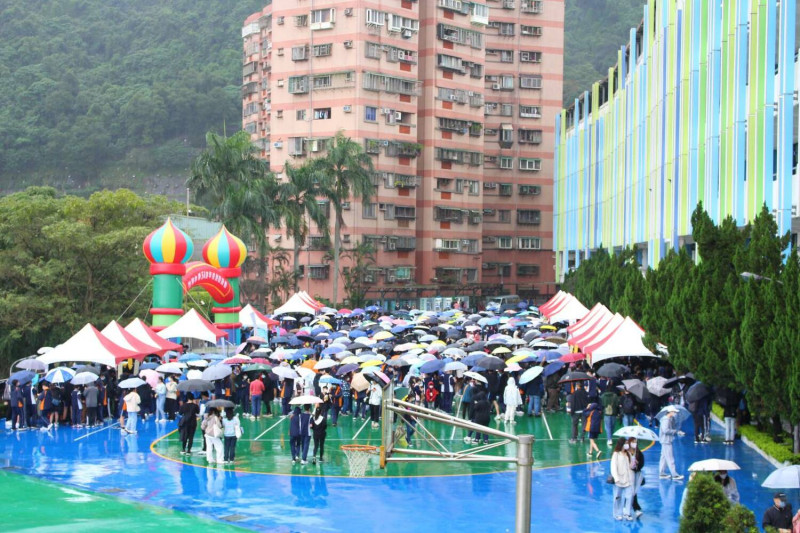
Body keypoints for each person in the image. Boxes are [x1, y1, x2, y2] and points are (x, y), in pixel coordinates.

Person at [610, 438, 634, 521]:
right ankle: (617, 513)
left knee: (629, 497)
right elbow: (613, 467)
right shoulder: (616, 454)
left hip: (628, 479)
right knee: (617, 497)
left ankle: (627, 513)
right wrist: (616, 478)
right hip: (619, 480)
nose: (627, 445)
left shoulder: (628, 454)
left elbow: (631, 466)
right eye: (626, 443)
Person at [658, 406, 683, 480]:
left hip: (665, 440)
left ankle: (662, 473)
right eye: (674, 412)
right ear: (671, 412)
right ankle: (674, 474)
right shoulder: (666, 420)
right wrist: (675, 431)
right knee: (670, 458)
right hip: (666, 441)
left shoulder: (668, 419)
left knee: (664, 457)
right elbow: (665, 430)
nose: (675, 413)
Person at [628, 437, 645, 518]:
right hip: (627, 475)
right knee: (629, 492)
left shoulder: (639, 453)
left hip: (636, 475)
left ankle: (634, 508)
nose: (634, 444)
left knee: (633, 492)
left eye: (635, 442)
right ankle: (633, 509)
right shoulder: (626, 453)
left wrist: (637, 465)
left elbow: (642, 464)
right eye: (633, 442)